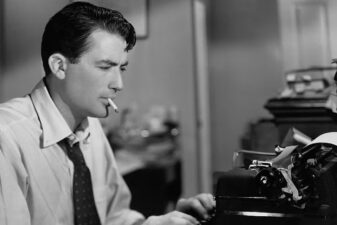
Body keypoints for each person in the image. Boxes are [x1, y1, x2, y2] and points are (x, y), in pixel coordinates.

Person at [0, 2, 215, 225]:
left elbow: (114, 217)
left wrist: (162, 222)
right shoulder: (6, 138)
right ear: (59, 66)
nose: (118, 84)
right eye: (105, 67)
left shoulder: (90, 127)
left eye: (121, 68)